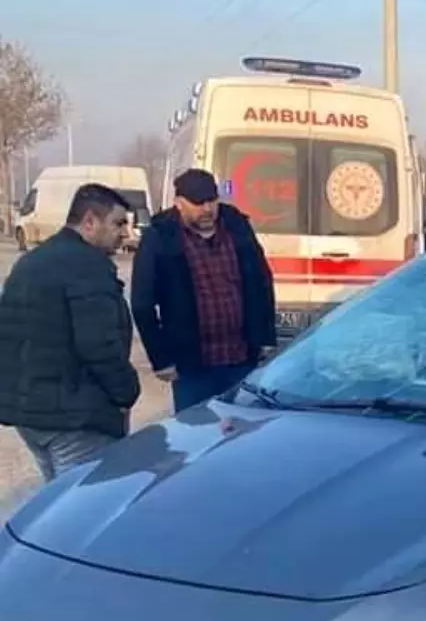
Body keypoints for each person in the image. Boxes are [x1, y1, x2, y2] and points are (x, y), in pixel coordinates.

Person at [0, 183, 140, 480]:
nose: (124, 234)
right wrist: (126, 392)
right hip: (75, 419)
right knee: (88, 511)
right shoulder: (87, 267)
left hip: (32, 416)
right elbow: (99, 345)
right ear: (89, 221)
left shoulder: (32, 262)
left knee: (59, 507)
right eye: (118, 223)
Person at [132, 169, 276, 412]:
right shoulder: (161, 235)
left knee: (243, 432)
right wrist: (161, 359)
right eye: (198, 203)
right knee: (195, 434)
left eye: (212, 200)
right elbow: (142, 303)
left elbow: (261, 281)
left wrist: (265, 337)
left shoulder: (236, 226)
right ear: (179, 203)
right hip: (192, 366)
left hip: (241, 359)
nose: (207, 209)